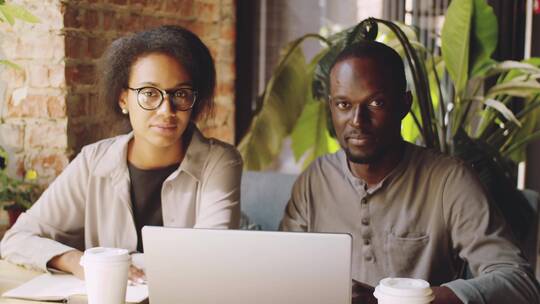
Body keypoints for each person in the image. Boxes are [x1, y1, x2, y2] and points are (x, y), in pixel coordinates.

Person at [280, 40, 540, 304]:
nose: (358, 121)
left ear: (404, 104)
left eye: (376, 103)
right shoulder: (315, 179)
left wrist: (406, 298)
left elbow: (518, 282)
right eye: (344, 105)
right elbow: (281, 271)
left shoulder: (448, 181)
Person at [1, 25, 242, 282]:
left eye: (180, 94)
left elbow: (211, 255)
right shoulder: (92, 162)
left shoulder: (219, 162)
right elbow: (16, 239)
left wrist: (113, 262)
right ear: (123, 99)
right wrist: (79, 261)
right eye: (149, 93)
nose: (166, 110)